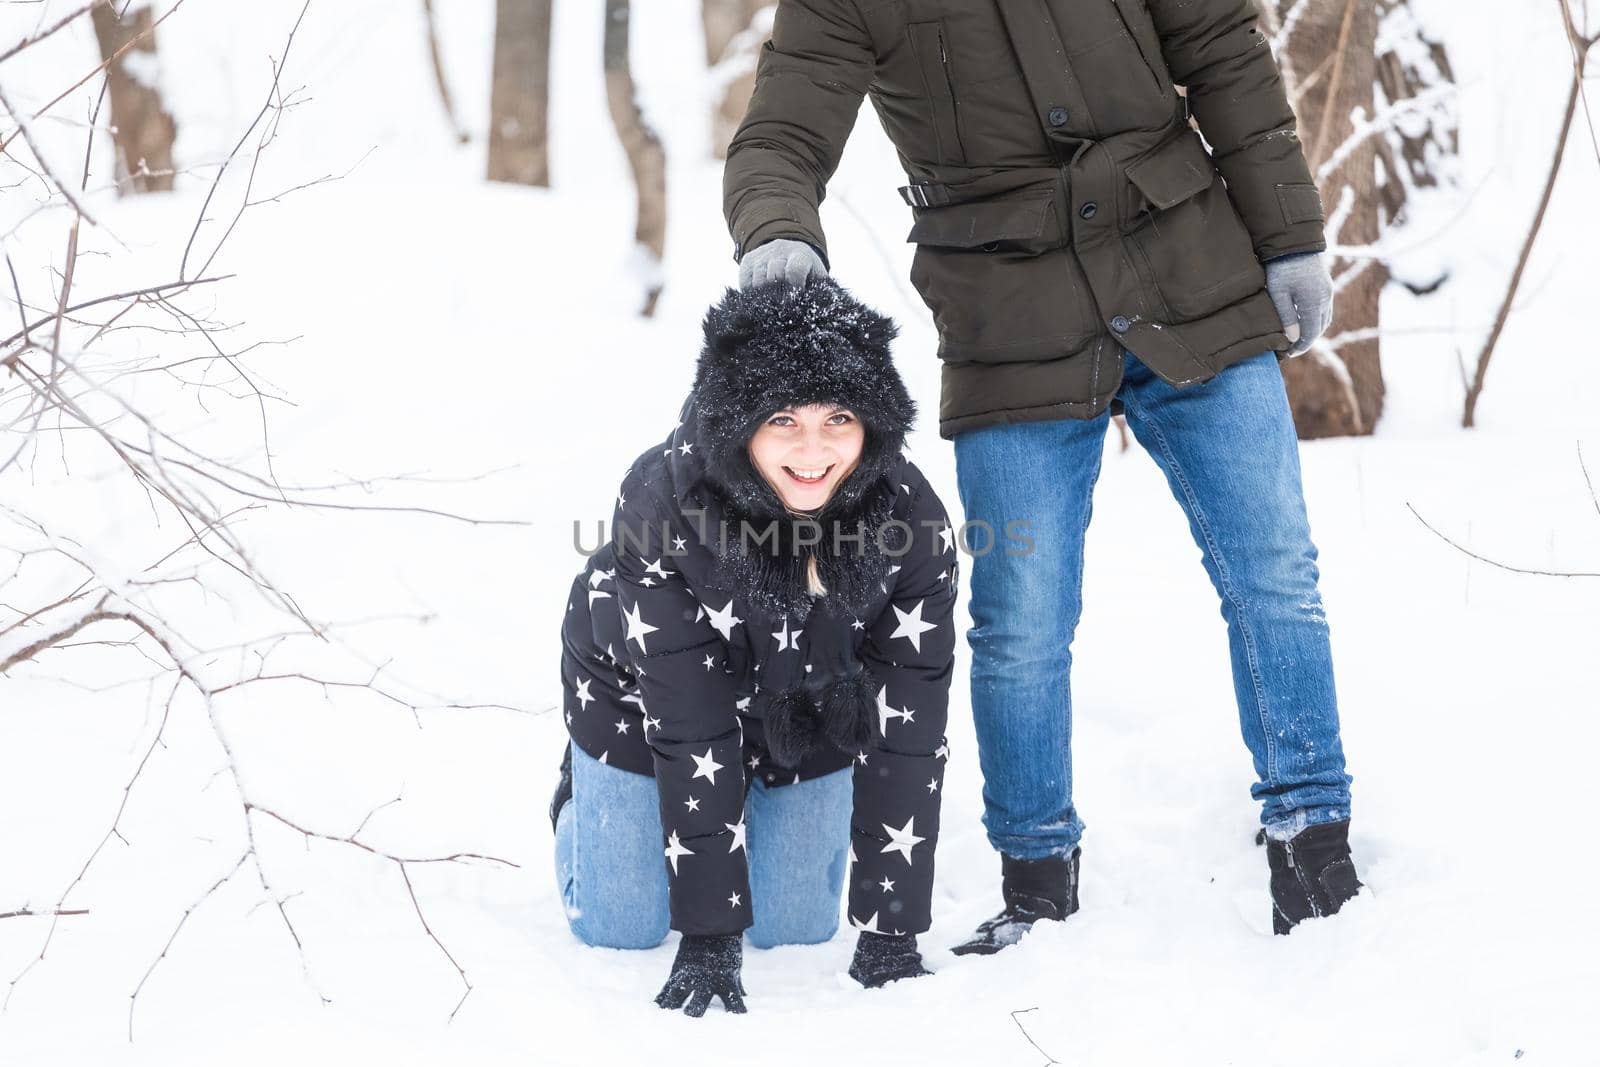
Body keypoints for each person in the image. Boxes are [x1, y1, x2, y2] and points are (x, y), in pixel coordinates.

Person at [723, 0, 1361, 948]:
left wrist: (1290, 235)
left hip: (1189, 266)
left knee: (1274, 572)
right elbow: (782, 130)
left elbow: (1222, 50)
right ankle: (1035, 878)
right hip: (1007, 315)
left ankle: (1313, 836)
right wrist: (778, 233)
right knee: (1021, 620)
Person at [550, 278, 958, 1015]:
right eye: (782, 419)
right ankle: (583, 799)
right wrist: (709, 935)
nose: (813, 449)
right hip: (646, 708)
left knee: (795, 927)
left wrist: (891, 930)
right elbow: (690, 724)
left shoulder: (911, 522)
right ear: (739, 424)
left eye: (839, 416)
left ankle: (759, 805)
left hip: (805, 707)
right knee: (624, 926)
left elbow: (908, 731)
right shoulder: (659, 503)